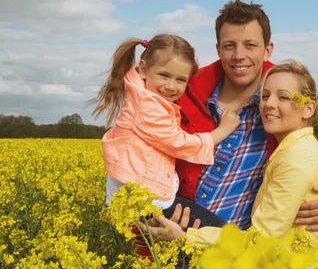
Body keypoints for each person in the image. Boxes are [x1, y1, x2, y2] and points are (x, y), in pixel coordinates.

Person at [144, 61, 318, 269]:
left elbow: (261, 241)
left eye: (284, 97)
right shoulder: (300, 145)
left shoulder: (296, 158)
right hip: (292, 260)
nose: (269, 103)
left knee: (168, 209)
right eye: (265, 96)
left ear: (308, 109)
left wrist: (185, 238)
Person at [174, 0, 318, 233]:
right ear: (218, 49)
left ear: (268, 50)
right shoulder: (184, 96)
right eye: (229, 46)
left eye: (250, 45)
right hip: (177, 242)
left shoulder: (286, 104)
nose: (239, 55)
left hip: (245, 254)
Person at [91, 34, 240, 227]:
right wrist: (223, 130)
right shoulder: (147, 107)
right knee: (225, 233)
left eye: (180, 80)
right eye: (164, 75)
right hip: (146, 203)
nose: (171, 86)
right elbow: (180, 143)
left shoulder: (142, 96)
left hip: (139, 199)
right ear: (143, 69)